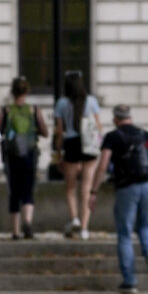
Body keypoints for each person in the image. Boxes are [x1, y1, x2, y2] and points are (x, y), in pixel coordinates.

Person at [89, 104, 148, 294]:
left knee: (124, 234)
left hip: (126, 188)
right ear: (130, 116)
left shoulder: (113, 137)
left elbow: (103, 164)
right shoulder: (145, 134)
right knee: (146, 226)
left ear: (115, 119)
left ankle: (130, 281)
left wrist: (93, 191)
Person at [0, 76, 48, 240]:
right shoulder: (33, 110)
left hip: (11, 156)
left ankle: (16, 231)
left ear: (12, 92)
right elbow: (45, 132)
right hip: (29, 154)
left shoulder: (6, 110)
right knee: (28, 189)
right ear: (27, 91)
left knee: (14, 191)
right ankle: (28, 220)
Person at [53, 70, 101, 240]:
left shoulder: (61, 103)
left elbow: (59, 131)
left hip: (71, 144)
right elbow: (98, 127)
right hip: (88, 144)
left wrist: (58, 153)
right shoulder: (92, 101)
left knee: (71, 187)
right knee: (86, 188)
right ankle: (85, 228)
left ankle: (74, 218)